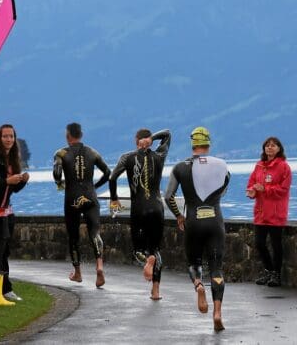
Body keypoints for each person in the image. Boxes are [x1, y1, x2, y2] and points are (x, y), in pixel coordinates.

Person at [164, 126, 230, 332]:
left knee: (194, 262)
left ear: (192, 144)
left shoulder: (180, 167)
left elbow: (168, 197)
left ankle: (199, 286)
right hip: (215, 220)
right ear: (208, 143)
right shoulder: (222, 165)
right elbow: (224, 189)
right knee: (216, 267)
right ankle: (217, 312)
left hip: (192, 220)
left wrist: (179, 216)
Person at [109, 128, 171, 300]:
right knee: (155, 249)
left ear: (135, 140)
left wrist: (114, 199)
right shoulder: (159, 155)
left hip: (139, 210)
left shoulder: (127, 157)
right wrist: (153, 138)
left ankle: (147, 259)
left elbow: (112, 178)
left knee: (138, 250)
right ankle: (156, 290)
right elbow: (167, 134)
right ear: (149, 140)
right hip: (157, 208)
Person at [53, 122, 111, 287]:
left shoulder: (61, 153)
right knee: (94, 232)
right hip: (90, 196)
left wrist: (60, 182)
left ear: (68, 136)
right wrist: (96, 186)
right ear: (81, 134)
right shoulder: (92, 152)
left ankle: (77, 273)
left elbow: (57, 172)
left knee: (73, 236)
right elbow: (107, 173)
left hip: (72, 198)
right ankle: (99, 266)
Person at [0, 124, 29, 304]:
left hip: (6, 212)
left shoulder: (13, 159)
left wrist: (22, 181)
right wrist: (6, 181)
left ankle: (5, 288)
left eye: (11, 136)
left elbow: (13, 190)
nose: (8, 140)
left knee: (4, 251)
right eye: (5, 136)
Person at [246, 136, 291, 287]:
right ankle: (268, 271)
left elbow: (283, 190)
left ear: (279, 149)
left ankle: (276, 275)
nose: (270, 148)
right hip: (261, 212)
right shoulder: (259, 166)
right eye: (267, 145)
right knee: (259, 243)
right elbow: (252, 183)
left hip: (276, 212)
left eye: (273, 145)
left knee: (276, 244)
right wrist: (252, 191)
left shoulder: (283, 167)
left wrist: (265, 189)